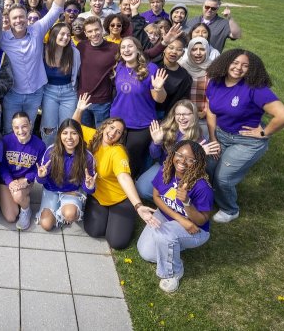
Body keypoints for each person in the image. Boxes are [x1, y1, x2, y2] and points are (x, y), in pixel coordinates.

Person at [205, 49, 284, 223]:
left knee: (224, 177)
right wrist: (213, 137)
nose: (238, 68)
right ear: (226, 62)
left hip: (246, 142)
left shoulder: (255, 88)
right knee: (209, 168)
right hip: (221, 135)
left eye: (245, 65)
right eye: (235, 63)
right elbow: (211, 111)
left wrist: (263, 132)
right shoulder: (215, 82)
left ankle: (230, 209)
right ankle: (212, 197)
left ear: (251, 69)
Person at [72, 94, 160, 249]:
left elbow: (125, 178)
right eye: (112, 127)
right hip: (98, 197)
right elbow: (74, 126)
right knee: (94, 231)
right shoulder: (92, 136)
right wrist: (79, 110)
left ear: (120, 136)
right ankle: (106, 215)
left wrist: (138, 205)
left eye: (118, 132)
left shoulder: (118, 151)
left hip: (120, 199)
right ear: (104, 126)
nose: (113, 133)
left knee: (117, 243)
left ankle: (129, 213)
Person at [137, 140, 214, 293]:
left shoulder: (202, 187)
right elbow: (157, 197)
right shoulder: (166, 169)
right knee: (146, 253)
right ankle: (174, 246)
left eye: (190, 159)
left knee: (164, 236)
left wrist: (186, 202)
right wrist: (180, 219)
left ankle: (173, 273)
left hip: (195, 229)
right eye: (179, 155)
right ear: (173, 154)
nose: (182, 161)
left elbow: (201, 220)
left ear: (197, 163)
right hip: (171, 218)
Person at [0, 0, 66, 134]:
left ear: (27, 17)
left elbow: (56, 9)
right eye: (14, 18)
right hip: (12, 94)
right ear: (9, 19)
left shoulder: (37, 30)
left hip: (35, 93)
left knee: (27, 129)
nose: (18, 21)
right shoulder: (2, 38)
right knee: (10, 130)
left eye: (21, 17)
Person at [135, 100, 220, 200]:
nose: (181, 117)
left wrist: (200, 155)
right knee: (142, 189)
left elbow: (196, 168)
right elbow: (154, 155)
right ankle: (168, 199)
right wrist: (157, 143)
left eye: (186, 114)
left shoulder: (199, 136)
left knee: (185, 194)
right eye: (178, 114)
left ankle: (176, 202)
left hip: (183, 172)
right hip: (164, 166)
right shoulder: (166, 129)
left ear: (194, 115)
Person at [109, 37, 169, 178]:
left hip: (141, 123)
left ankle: (129, 187)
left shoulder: (151, 69)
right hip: (118, 121)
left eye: (130, 46)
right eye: (123, 47)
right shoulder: (118, 67)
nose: (126, 50)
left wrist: (159, 89)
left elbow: (160, 99)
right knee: (115, 153)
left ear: (137, 49)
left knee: (131, 158)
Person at [36, 118, 96, 231]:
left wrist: (89, 186)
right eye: (65, 133)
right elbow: (40, 181)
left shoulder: (87, 156)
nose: (69, 137)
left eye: (74, 133)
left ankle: (70, 207)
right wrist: (41, 176)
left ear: (80, 136)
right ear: (59, 135)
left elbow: (89, 190)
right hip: (52, 189)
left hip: (72, 191)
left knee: (69, 215)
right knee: (46, 225)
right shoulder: (51, 151)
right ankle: (57, 208)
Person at [0, 112, 47, 230]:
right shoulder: (5, 141)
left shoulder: (39, 145)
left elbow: (38, 168)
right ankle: (13, 197)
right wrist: (9, 181)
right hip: (7, 181)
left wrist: (27, 179)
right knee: (11, 217)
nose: (21, 131)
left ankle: (26, 210)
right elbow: (1, 165)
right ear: (12, 127)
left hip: (25, 180)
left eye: (24, 126)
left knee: (18, 195)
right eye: (16, 127)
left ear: (30, 124)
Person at [41, 23, 80, 146]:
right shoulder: (44, 51)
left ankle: (64, 158)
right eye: (62, 34)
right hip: (49, 92)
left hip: (69, 93)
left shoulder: (74, 53)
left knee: (67, 128)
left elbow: (77, 74)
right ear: (54, 35)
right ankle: (48, 156)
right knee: (49, 128)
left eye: (68, 35)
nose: (65, 37)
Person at [76, 16, 118, 127]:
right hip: (83, 100)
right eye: (90, 31)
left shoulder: (114, 48)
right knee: (85, 133)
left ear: (102, 30)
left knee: (100, 135)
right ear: (85, 33)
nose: (94, 34)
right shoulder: (81, 47)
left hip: (102, 102)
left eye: (96, 29)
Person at [178, 37, 214, 128]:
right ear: (189, 51)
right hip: (181, 116)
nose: (198, 53)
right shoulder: (181, 66)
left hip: (203, 116)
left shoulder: (213, 69)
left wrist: (205, 111)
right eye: (194, 49)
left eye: (202, 49)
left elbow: (214, 95)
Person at [156, 36, 192, 116]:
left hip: (166, 116)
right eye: (171, 47)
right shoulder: (153, 65)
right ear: (164, 49)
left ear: (182, 53)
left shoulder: (184, 76)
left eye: (179, 50)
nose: (174, 52)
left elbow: (183, 101)